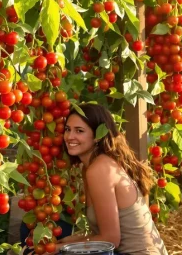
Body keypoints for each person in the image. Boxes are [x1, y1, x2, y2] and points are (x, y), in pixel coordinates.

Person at [57, 103, 168, 255]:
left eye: (79, 131)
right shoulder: (92, 166)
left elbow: (109, 240)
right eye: (68, 129)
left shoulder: (100, 169)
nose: (70, 137)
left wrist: (60, 249)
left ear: (97, 136)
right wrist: (72, 240)